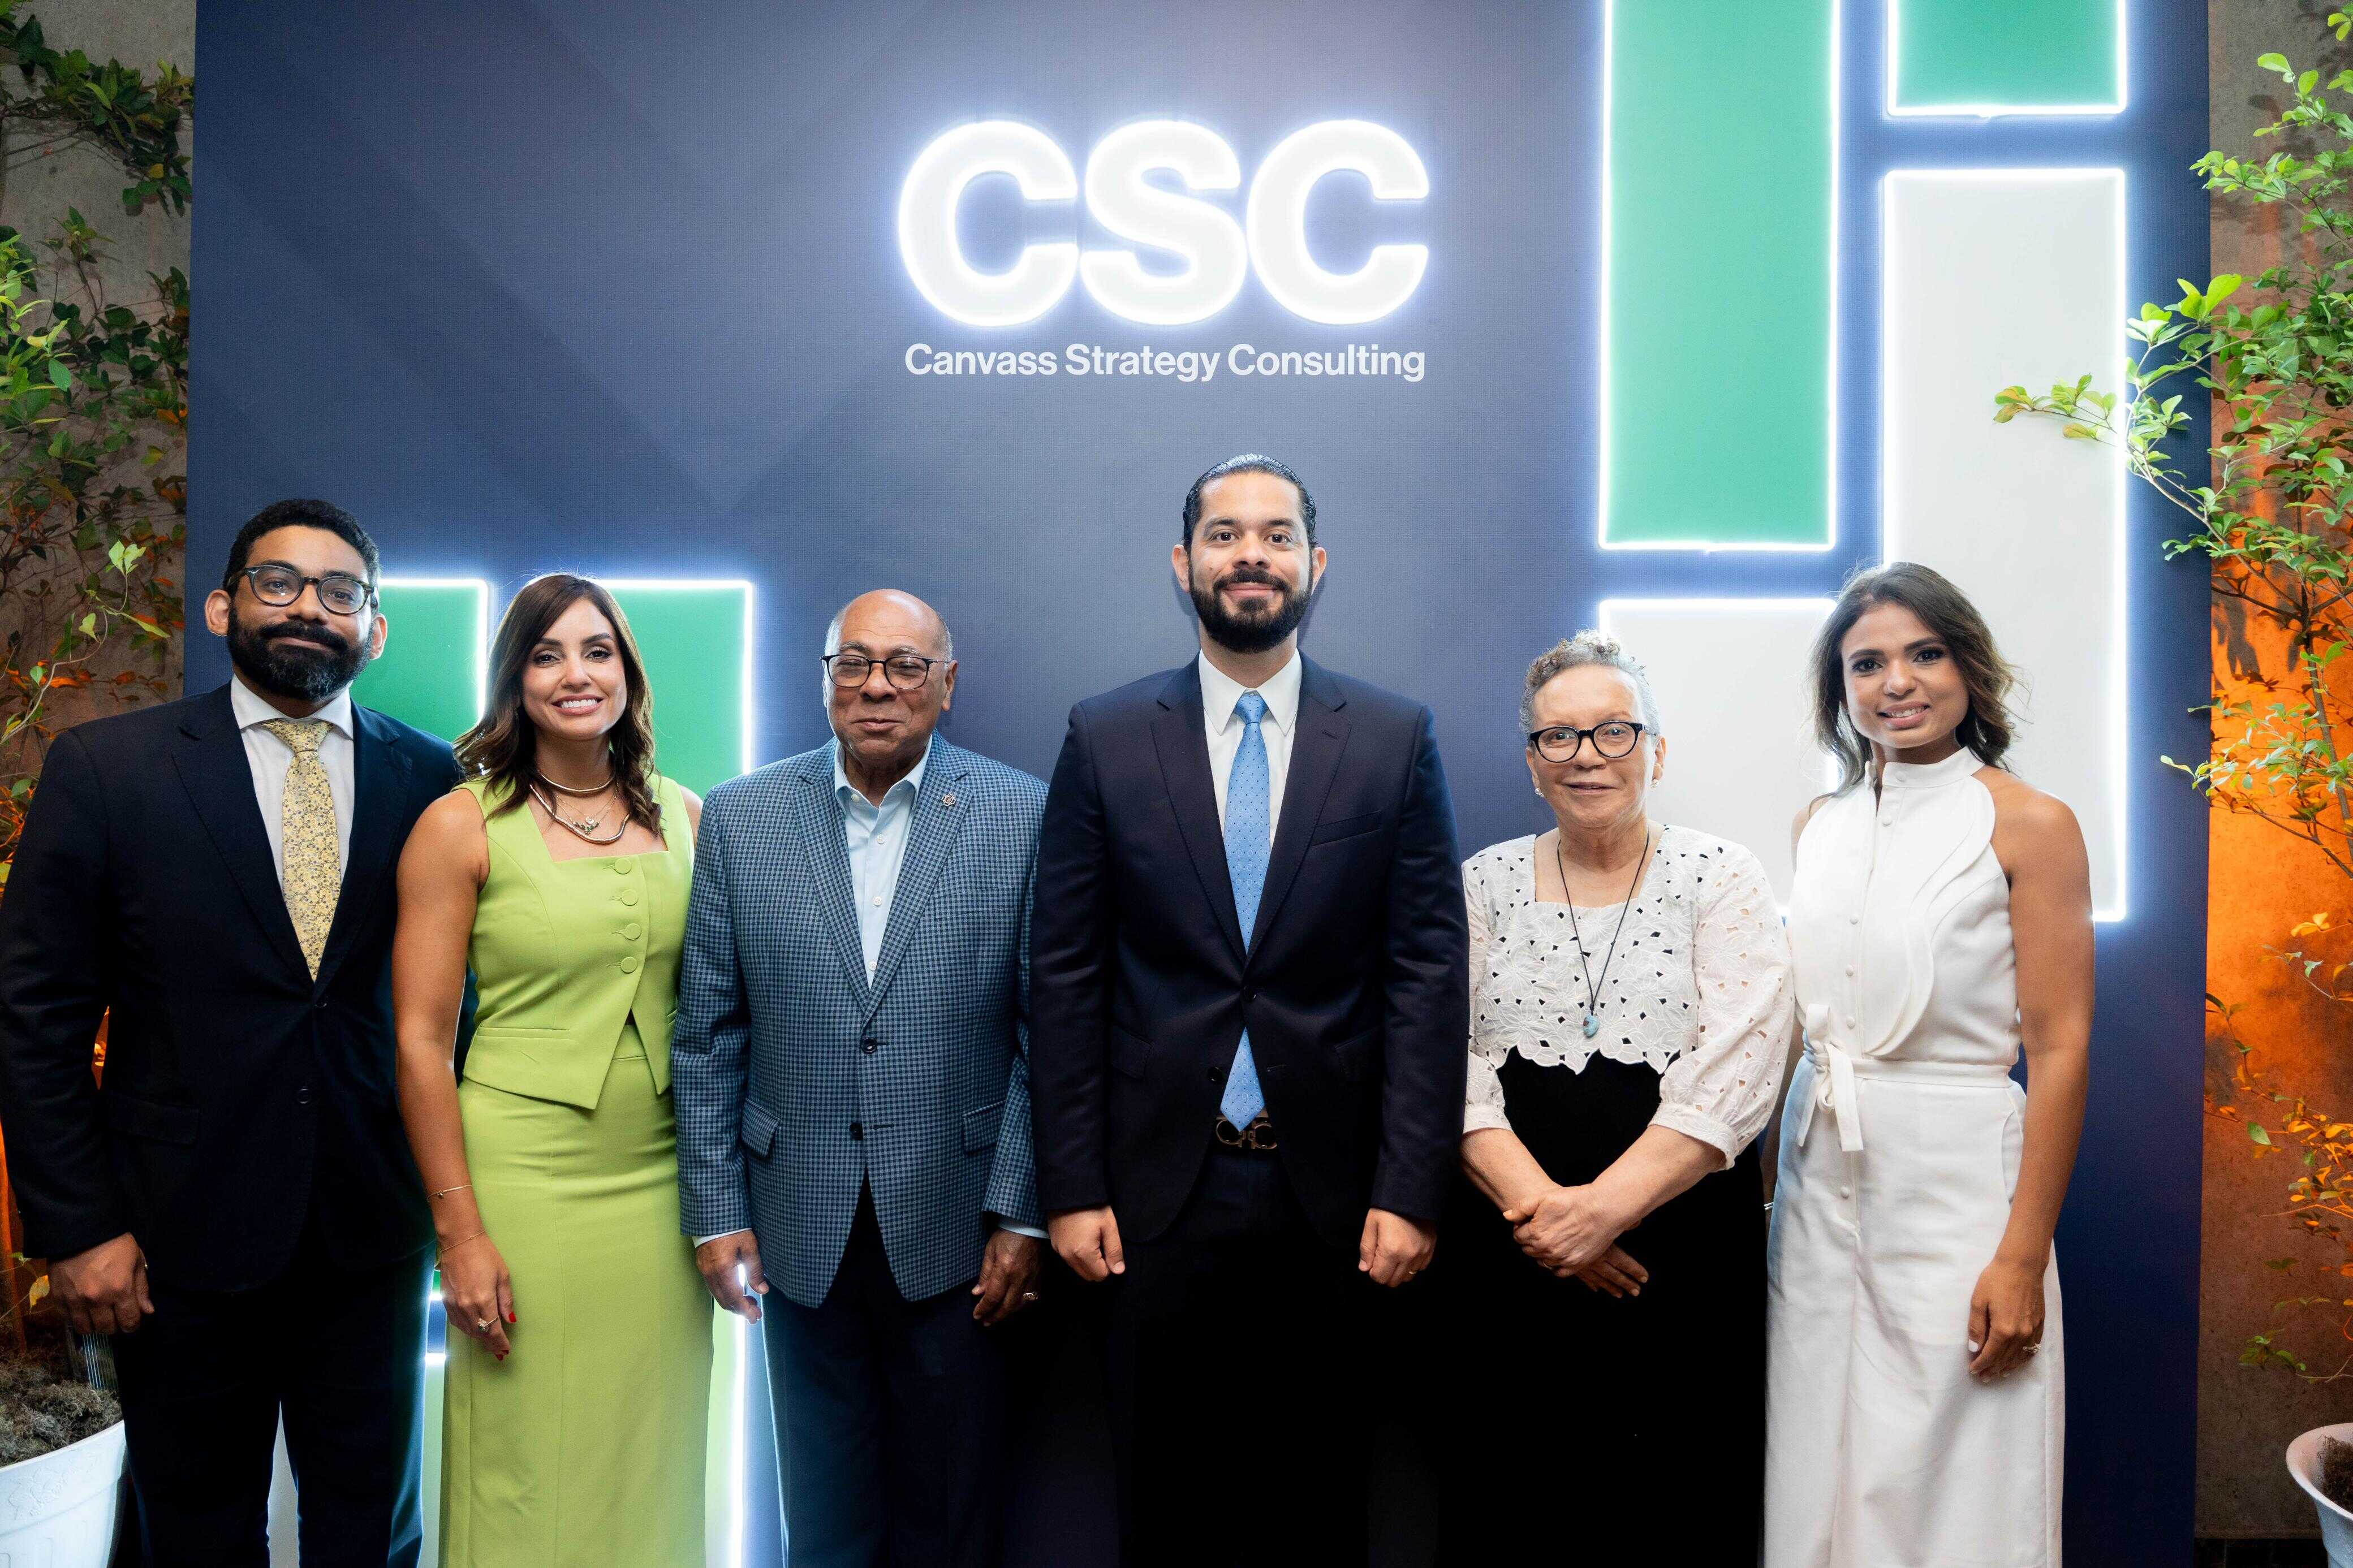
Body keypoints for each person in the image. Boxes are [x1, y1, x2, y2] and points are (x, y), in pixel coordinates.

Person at [1029, 453, 1468, 1566]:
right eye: (1225, 535)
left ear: (1315, 563)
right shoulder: (1105, 734)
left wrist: (1410, 1188)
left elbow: (1425, 975)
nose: (1251, 556)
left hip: (1333, 1198)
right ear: (1183, 564)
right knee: (1166, 1498)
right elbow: (1067, 974)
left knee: (1320, 1498)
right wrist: (1070, 1185)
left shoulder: (1389, 735)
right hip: (1151, 1196)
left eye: (1275, 535)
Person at [0, 500, 456, 1565]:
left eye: (341, 592)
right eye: (278, 582)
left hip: (372, 1233)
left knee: (372, 1531)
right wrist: (76, 1227)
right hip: (171, 1241)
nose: (309, 608)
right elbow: (39, 1013)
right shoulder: (108, 768)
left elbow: (452, 1008)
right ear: (223, 606)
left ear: (375, 628)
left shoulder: (433, 781)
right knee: (194, 1530)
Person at [674, 589, 1046, 1568]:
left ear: (947, 683)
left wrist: (1023, 1210)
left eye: (905, 664)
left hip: (963, 1230)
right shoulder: (744, 815)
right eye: (854, 662)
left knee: (951, 1521)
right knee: (824, 1524)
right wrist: (715, 1210)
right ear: (826, 679)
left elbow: (1047, 1032)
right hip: (796, 1225)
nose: (877, 684)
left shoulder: (1024, 812)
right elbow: (707, 1031)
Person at [1436, 630, 1794, 1561]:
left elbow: (1742, 1067)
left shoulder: (1723, 875)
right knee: (1514, 1505)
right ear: (1531, 761)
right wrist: (1549, 1218)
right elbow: (1440, 1060)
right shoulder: (1482, 883)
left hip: (1683, 1255)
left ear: (1658, 750)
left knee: (1676, 1507)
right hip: (1511, 1249)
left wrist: (1601, 1214)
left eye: (1614, 731)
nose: (1587, 756)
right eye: (1559, 737)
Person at [1765, 562, 2091, 1567]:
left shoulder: (2030, 821)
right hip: (1820, 1180)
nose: (1897, 681)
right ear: (1841, 688)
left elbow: (2062, 1045)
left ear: (1967, 666)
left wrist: (2021, 1253)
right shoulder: (1816, 826)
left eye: (1924, 653)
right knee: (1818, 1454)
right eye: (1867, 662)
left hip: (1962, 1189)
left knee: (1961, 1466)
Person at [390, 573, 712, 1565]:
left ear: (628, 671)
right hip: (520, 1182)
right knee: (520, 1461)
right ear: (514, 677)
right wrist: (462, 1235)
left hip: (660, 1191)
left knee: (650, 1456)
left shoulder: (688, 813)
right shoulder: (462, 823)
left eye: (598, 650)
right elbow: (418, 1040)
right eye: (547, 653)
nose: (577, 673)